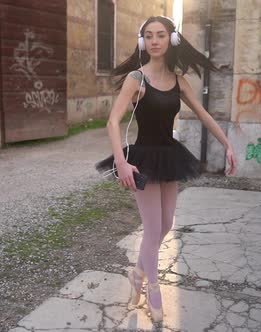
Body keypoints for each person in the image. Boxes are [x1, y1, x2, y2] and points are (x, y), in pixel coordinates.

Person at [95, 15, 237, 322]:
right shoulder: (137, 78)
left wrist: (227, 143)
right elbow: (112, 121)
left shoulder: (177, 80)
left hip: (170, 155)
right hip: (143, 158)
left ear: (171, 39)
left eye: (161, 35)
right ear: (142, 41)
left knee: (167, 224)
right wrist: (121, 162)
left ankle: (137, 273)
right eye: (149, 35)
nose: (155, 40)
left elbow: (203, 114)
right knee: (152, 228)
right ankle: (152, 288)